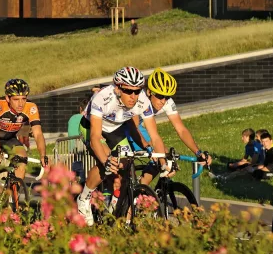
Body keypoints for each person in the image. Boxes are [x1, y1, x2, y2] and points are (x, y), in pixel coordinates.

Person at [76, 66, 167, 226]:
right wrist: (106, 161)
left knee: (124, 166)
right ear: (118, 88)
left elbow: (155, 136)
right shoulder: (103, 98)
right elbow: (95, 138)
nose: (133, 96)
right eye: (128, 91)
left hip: (114, 129)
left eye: (137, 91)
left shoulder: (143, 101)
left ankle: (115, 205)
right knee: (108, 164)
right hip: (92, 127)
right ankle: (84, 198)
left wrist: (164, 163)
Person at [132, 68, 211, 184]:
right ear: (149, 92)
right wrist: (149, 148)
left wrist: (198, 153)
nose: (163, 101)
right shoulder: (139, 98)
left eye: (167, 97)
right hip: (125, 126)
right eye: (159, 96)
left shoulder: (166, 102)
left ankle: (140, 190)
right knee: (156, 155)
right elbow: (133, 128)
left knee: (164, 155)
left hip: (139, 126)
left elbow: (181, 130)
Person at [0, 79, 48, 184]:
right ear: (7, 98)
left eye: (24, 99)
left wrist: (43, 155)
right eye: (16, 99)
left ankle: (11, 195)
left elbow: (38, 134)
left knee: (22, 160)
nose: (21, 104)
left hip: (9, 138)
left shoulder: (31, 108)